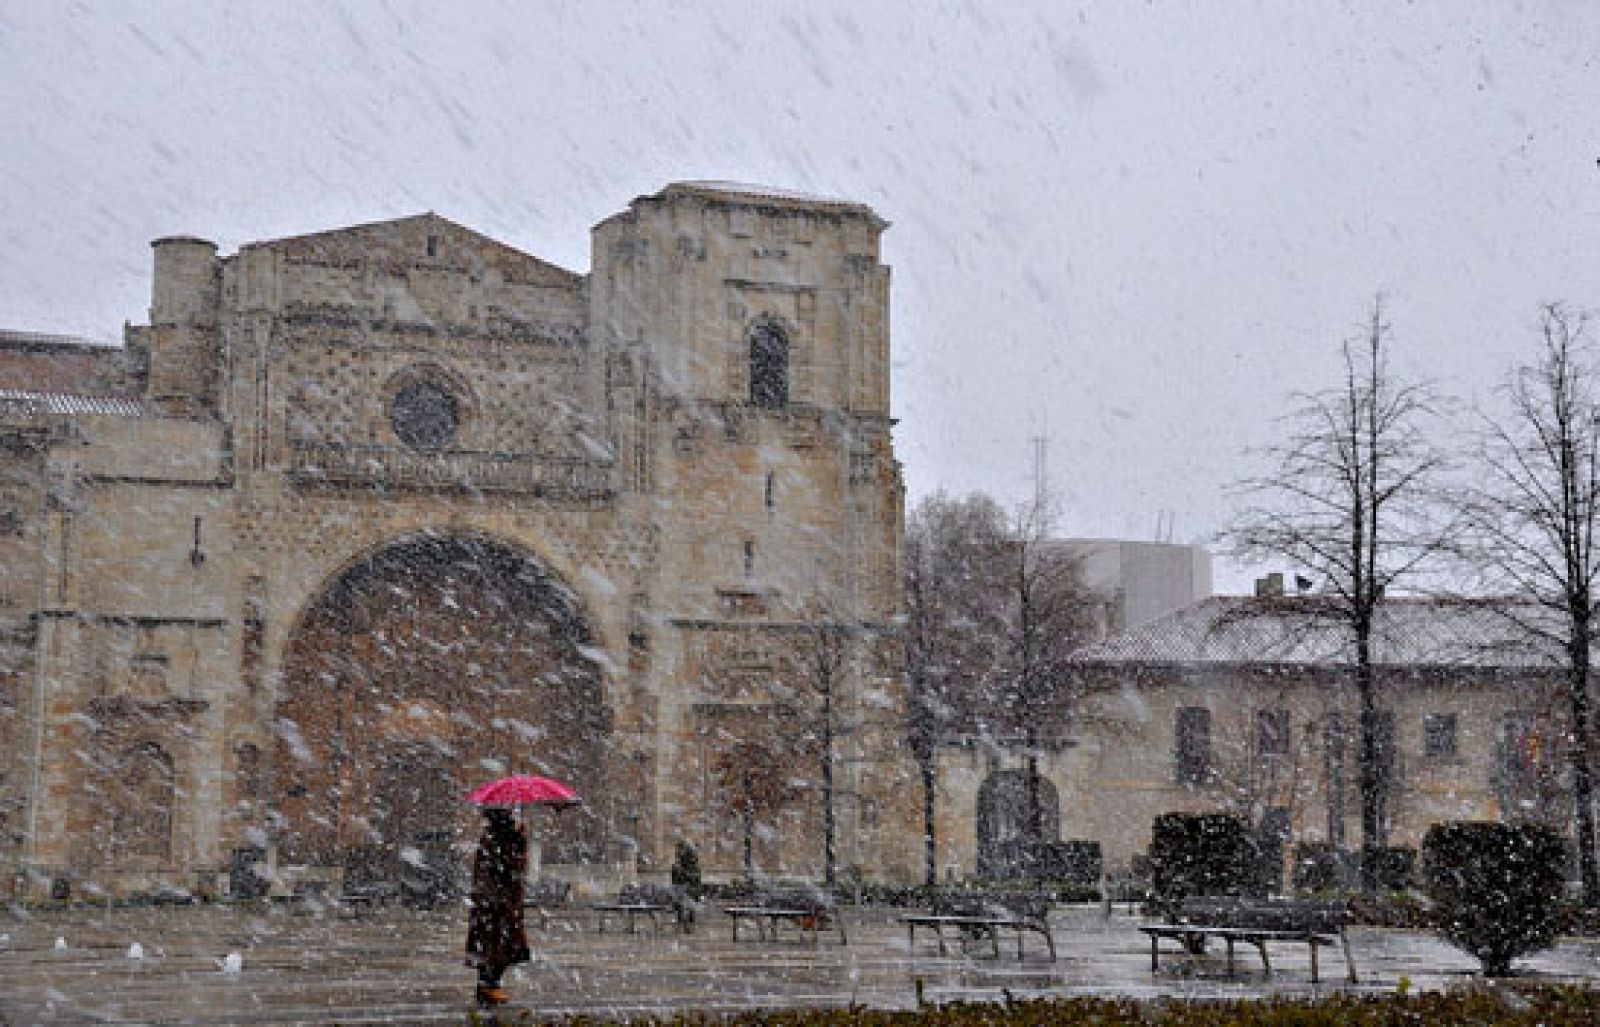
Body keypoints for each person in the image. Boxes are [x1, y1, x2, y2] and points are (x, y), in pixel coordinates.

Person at [464, 808, 530, 1007]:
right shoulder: (495, 842)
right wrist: (518, 843)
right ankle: (488, 985)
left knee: (498, 948)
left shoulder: (496, 840)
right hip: (497, 906)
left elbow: (512, 869)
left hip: (498, 905)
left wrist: (519, 841)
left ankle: (488, 986)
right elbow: (507, 870)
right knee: (496, 948)